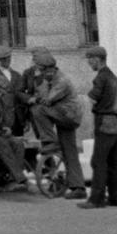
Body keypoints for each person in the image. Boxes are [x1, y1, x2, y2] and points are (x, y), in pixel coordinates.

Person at [30, 50, 87, 199]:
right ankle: (78, 187)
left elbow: (47, 100)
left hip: (68, 116)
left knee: (38, 110)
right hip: (64, 116)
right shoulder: (49, 80)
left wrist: (35, 99)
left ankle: (50, 142)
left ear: (50, 68)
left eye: (42, 70)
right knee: (70, 152)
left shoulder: (61, 81)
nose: (41, 73)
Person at [79, 45, 117, 209]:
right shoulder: (113, 77)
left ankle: (96, 199)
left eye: (90, 60)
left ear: (97, 60)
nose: (89, 63)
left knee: (98, 161)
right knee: (114, 160)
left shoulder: (101, 78)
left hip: (105, 122)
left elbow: (92, 98)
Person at [0, 45, 24, 136]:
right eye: (3, 59)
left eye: (8, 58)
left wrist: (25, 119)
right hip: (2, 115)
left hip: (17, 114)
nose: (6, 61)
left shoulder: (17, 75)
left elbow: (21, 95)